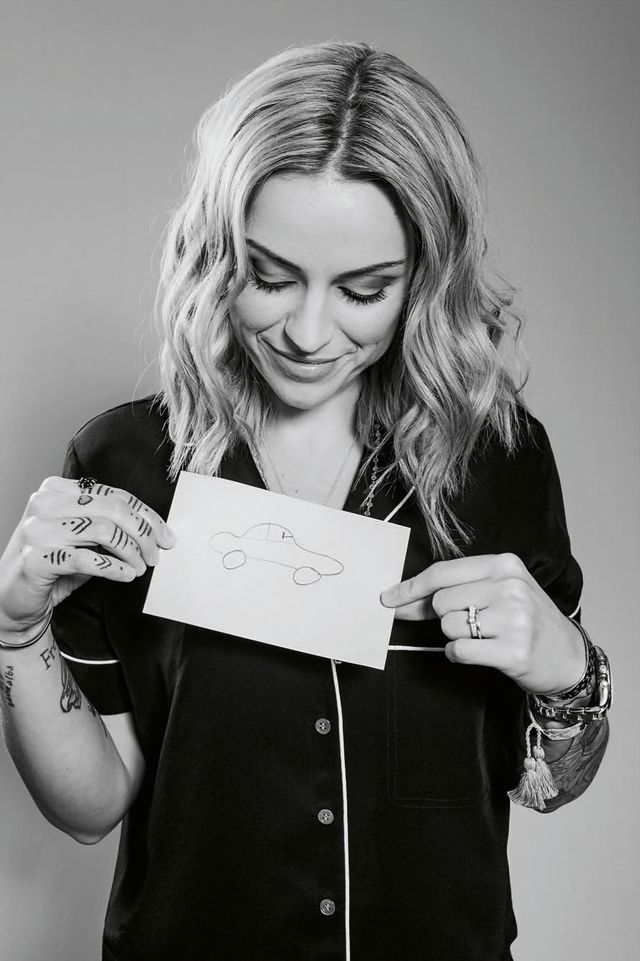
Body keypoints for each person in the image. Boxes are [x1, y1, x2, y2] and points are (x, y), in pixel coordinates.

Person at [0, 39, 611, 961]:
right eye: (271, 276)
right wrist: (15, 634)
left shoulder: (501, 463)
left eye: (364, 290)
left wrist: (570, 675)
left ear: (424, 278)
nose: (309, 332)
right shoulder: (124, 464)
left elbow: (554, 783)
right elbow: (90, 806)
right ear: (215, 251)